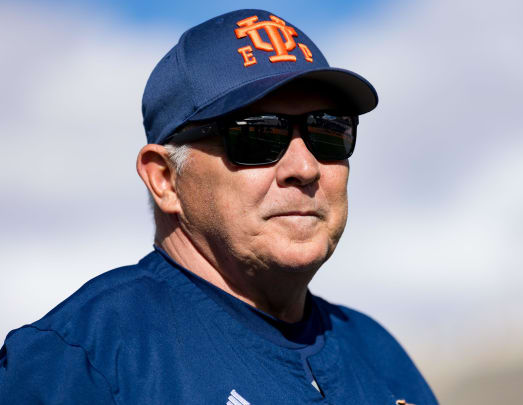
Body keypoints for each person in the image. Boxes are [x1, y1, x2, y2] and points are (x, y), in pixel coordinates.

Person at [0, 9, 437, 405]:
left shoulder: (379, 356)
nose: (304, 167)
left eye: (328, 132)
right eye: (257, 136)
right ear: (165, 179)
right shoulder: (86, 360)